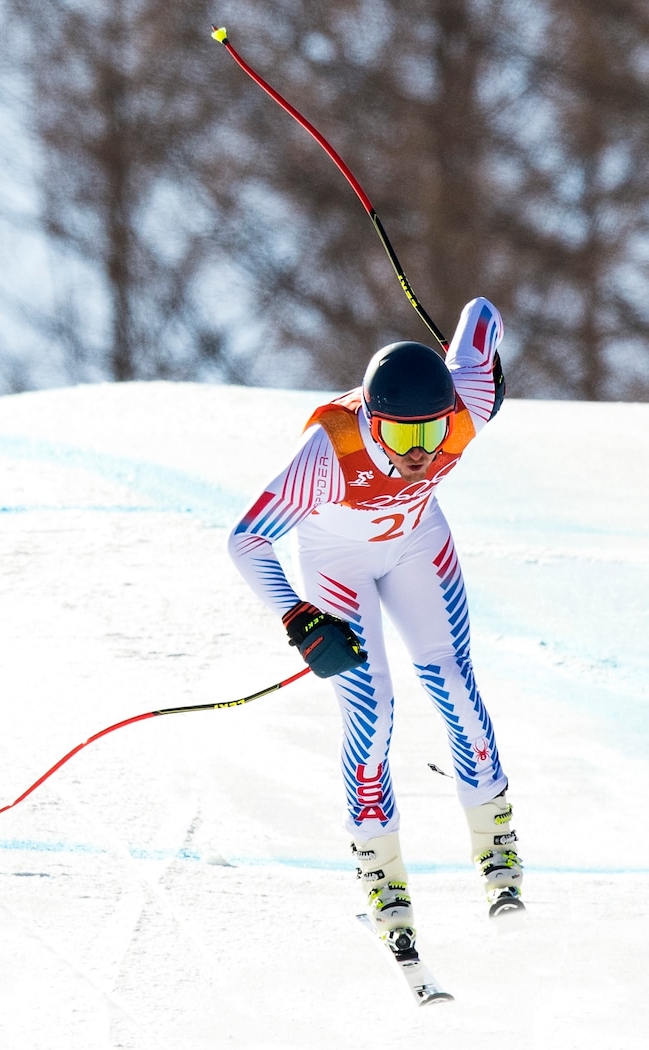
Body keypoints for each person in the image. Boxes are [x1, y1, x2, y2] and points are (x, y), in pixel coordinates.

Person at [227, 297, 523, 956]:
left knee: (452, 682)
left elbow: (479, 313)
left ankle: (496, 844)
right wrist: (298, 616)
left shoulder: (465, 406)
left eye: (430, 434)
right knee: (375, 711)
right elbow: (246, 541)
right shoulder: (328, 452)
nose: (417, 453)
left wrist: (487, 367)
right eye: (398, 437)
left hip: (417, 543)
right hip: (339, 563)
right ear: (371, 420)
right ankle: (381, 876)